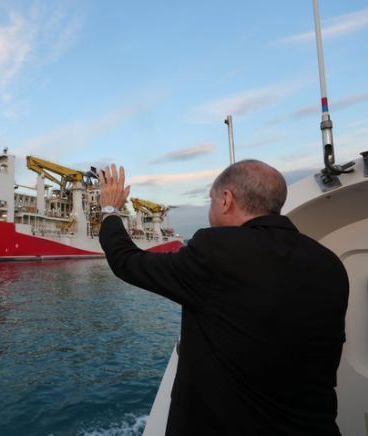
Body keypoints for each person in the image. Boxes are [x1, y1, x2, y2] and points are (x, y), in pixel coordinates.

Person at [98, 160, 349, 436]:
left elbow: (126, 262)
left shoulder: (215, 251)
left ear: (226, 200)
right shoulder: (330, 264)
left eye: (211, 200)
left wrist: (110, 210)